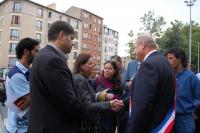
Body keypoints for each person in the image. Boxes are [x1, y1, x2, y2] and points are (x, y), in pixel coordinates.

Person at [28, 21, 88, 133]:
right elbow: (68, 101)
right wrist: (88, 113)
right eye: (71, 38)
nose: (72, 43)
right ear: (61, 35)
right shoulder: (53, 61)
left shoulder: (41, 55)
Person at [127, 34, 176, 133]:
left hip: (151, 126)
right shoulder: (163, 61)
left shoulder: (148, 65)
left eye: (135, 48)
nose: (134, 51)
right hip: (161, 122)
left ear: (142, 45)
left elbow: (142, 105)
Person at [73, 53, 122, 133]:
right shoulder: (80, 80)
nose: (94, 65)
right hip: (86, 124)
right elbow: (87, 106)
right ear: (81, 66)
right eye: (90, 63)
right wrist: (109, 104)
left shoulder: (84, 79)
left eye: (94, 63)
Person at [5, 38, 39, 133]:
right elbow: (34, 99)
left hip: (27, 127)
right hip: (18, 129)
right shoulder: (16, 75)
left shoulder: (29, 72)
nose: (38, 55)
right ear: (26, 52)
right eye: (36, 51)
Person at [166, 48, 200, 133]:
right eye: (167, 58)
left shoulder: (191, 77)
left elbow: (199, 97)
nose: (168, 61)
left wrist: (191, 107)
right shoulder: (169, 76)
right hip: (168, 118)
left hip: (185, 120)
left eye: (171, 58)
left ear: (179, 59)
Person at [93, 60, 125, 133]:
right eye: (105, 68)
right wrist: (104, 96)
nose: (107, 71)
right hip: (99, 116)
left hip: (112, 117)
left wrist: (114, 98)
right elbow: (91, 97)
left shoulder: (119, 84)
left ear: (115, 70)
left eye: (109, 69)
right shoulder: (97, 80)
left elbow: (121, 99)